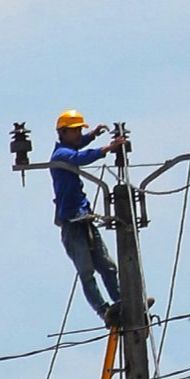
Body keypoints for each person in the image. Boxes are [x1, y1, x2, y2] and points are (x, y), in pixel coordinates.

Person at [50, 109, 123, 324]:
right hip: (71, 223)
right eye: (74, 131)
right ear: (62, 132)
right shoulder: (60, 155)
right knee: (87, 271)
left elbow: (79, 146)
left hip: (84, 219)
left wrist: (92, 135)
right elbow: (80, 157)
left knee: (107, 266)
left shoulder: (68, 147)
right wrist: (107, 148)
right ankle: (104, 311)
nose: (77, 134)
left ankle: (123, 302)